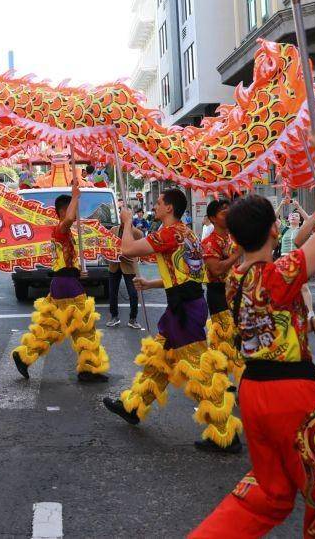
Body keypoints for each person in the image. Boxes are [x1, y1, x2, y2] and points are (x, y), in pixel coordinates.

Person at [191, 124, 315, 538]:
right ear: (273, 231)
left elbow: (269, 326)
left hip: (254, 391)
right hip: (291, 397)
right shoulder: (280, 273)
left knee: (272, 492)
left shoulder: (237, 278)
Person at [102, 189, 243, 453]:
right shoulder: (187, 233)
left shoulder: (168, 234)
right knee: (159, 360)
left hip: (185, 311)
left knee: (200, 372)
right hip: (185, 305)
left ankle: (226, 433)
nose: (154, 206)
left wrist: (127, 221)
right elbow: (187, 274)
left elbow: (127, 250)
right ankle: (133, 405)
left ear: (169, 208)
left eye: (158, 203)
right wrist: (153, 283)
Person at [11, 182, 110, 383]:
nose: (76, 214)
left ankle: (24, 356)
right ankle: (88, 369)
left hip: (64, 282)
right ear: (63, 211)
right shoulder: (61, 229)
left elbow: (64, 260)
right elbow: (71, 218)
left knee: (51, 327)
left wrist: (76, 272)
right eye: (73, 209)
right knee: (85, 328)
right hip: (67, 285)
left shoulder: (63, 233)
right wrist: (75, 196)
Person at [202, 198, 245, 382]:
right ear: (212, 218)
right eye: (222, 212)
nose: (228, 214)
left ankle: (229, 380)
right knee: (223, 338)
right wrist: (237, 254)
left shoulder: (235, 238)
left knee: (238, 337)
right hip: (218, 293)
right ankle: (220, 380)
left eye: (229, 210)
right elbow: (216, 269)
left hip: (237, 293)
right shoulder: (209, 242)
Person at [105, 220, 142, 329]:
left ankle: (133, 319)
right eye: (122, 217)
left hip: (129, 266)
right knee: (112, 293)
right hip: (114, 265)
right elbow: (108, 244)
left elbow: (139, 246)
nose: (123, 220)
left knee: (133, 294)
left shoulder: (136, 232)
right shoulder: (113, 230)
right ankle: (114, 317)